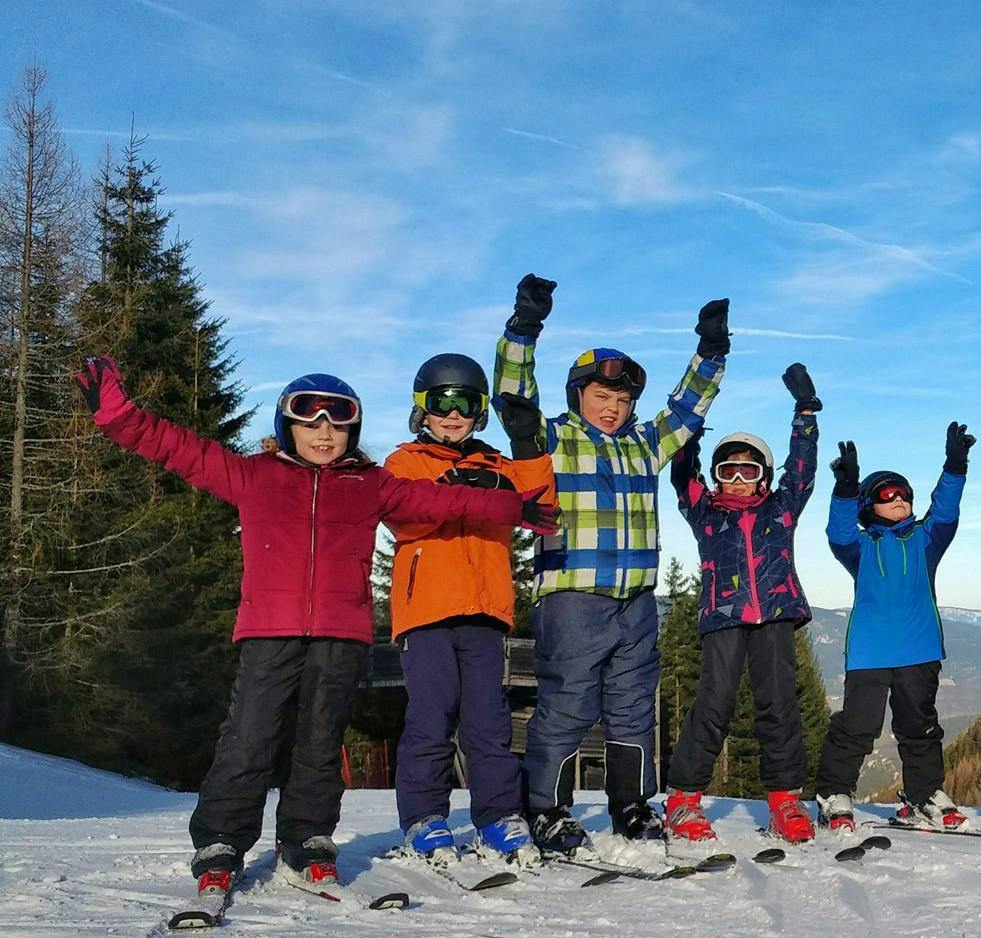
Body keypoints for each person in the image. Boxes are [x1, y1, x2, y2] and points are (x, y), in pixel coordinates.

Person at [71, 356, 555, 896]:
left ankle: (306, 837)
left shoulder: (370, 484)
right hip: (268, 632)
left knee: (320, 742)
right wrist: (118, 416)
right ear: (287, 428)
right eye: (310, 421)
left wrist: (511, 506)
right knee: (249, 738)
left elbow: (440, 498)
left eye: (337, 422)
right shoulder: (253, 475)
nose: (324, 433)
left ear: (353, 430)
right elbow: (178, 448)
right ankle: (222, 839)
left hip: (340, 635)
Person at [489, 274, 727, 870]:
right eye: (602, 396)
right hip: (573, 597)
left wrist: (711, 353)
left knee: (631, 704)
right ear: (579, 395)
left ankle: (632, 802)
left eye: (622, 400)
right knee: (567, 704)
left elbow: (688, 409)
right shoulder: (550, 440)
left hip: (637, 601)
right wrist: (524, 327)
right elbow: (514, 397)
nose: (614, 406)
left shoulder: (646, 444)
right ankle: (545, 805)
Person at [383, 352, 556, 867]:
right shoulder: (406, 463)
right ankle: (424, 818)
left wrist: (526, 444)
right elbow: (406, 514)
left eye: (464, 403)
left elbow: (541, 506)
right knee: (431, 717)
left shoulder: (497, 465)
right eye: (442, 403)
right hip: (427, 612)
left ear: (479, 411)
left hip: (485, 611)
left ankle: (499, 816)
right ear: (423, 409)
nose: (453, 415)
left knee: (489, 722)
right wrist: (465, 491)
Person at [662, 363, 821, 849]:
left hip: (773, 614)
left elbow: (801, 470)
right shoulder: (704, 511)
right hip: (723, 618)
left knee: (778, 705)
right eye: (726, 471)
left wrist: (806, 413)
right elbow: (681, 473)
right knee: (714, 704)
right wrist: (689, 433)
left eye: (747, 471)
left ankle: (784, 799)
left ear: (763, 479)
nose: (735, 479)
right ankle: (683, 799)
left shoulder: (782, 508)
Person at [813, 423, 973, 833]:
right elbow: (839, 532)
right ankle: (835, 793)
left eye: (904, 493)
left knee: (920, 727)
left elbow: (945, 510)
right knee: (857, 726)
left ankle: (924, 794)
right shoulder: (861, 548)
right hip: (869, 653)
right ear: (870, 505)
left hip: (919, 651)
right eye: (888, 494)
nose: (900, 498)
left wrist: (955, 465)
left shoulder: (925, 541)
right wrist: (846, 489)